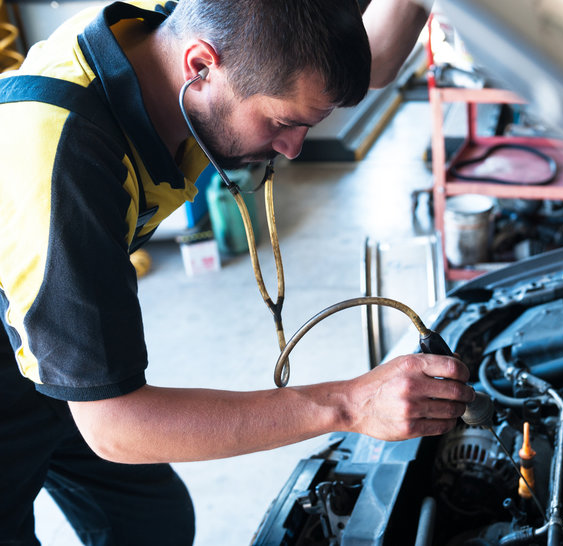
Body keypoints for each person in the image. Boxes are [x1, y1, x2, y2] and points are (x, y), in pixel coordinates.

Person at [0, 0, 472, 544]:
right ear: (200, 68)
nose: (293, 150)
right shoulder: (66, 164)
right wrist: (350, 404)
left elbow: (371, 62)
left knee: (151, 521)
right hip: (17, 356)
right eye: (282, 122)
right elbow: (114, 427)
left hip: (50, 323)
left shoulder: (189, 30)